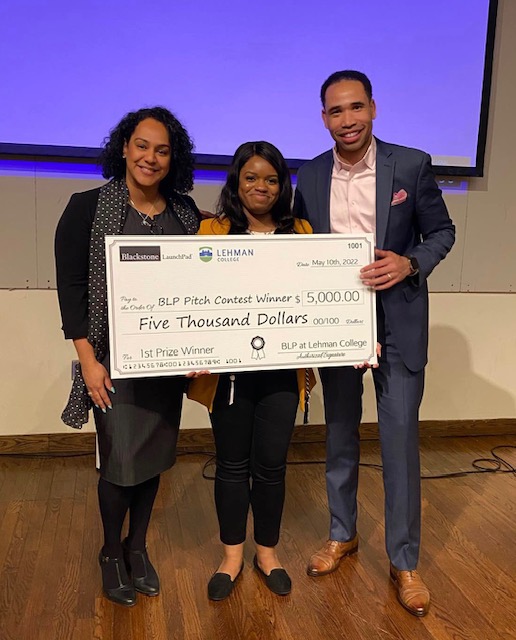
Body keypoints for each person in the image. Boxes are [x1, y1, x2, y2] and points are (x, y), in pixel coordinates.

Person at [293, 71, 455, 617]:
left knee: (400, 443)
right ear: (323, 118)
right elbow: (299, 247)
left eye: (356, 108)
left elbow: (442, 232)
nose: (347, 120)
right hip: (338, 326)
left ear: (374, 109)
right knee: (339, 433)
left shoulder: (410, 165)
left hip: (400, 323)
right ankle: (343, 534)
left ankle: (405, 561)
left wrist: (411, 262)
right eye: (335, 112)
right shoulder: (311, 174)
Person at [55, 107, 201, 607]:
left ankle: (138, 547)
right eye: (142, 145)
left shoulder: (186, 213)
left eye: (162, 150)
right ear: (123, 147)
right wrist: (87, 359)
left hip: (168, 362)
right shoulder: (87, 207)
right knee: (119, 460)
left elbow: (203, 288)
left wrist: (203, 346)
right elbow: (72, 287)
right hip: (112, 361)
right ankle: (111, 552)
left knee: (155, 456)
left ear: (171, 158)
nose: (150, 157)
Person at [187, 141, 315, 601]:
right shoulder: (212, 231)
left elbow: (318, 298)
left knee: (272, 467)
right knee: (231, 465)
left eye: (272, 179)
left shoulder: (302, 232)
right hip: (229, 379)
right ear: (236, 183)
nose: (261, 187)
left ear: (282, 186)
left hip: (283, 375)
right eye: (252, 177)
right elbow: (193, 298)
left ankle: (268, 553)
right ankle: (231, 555)